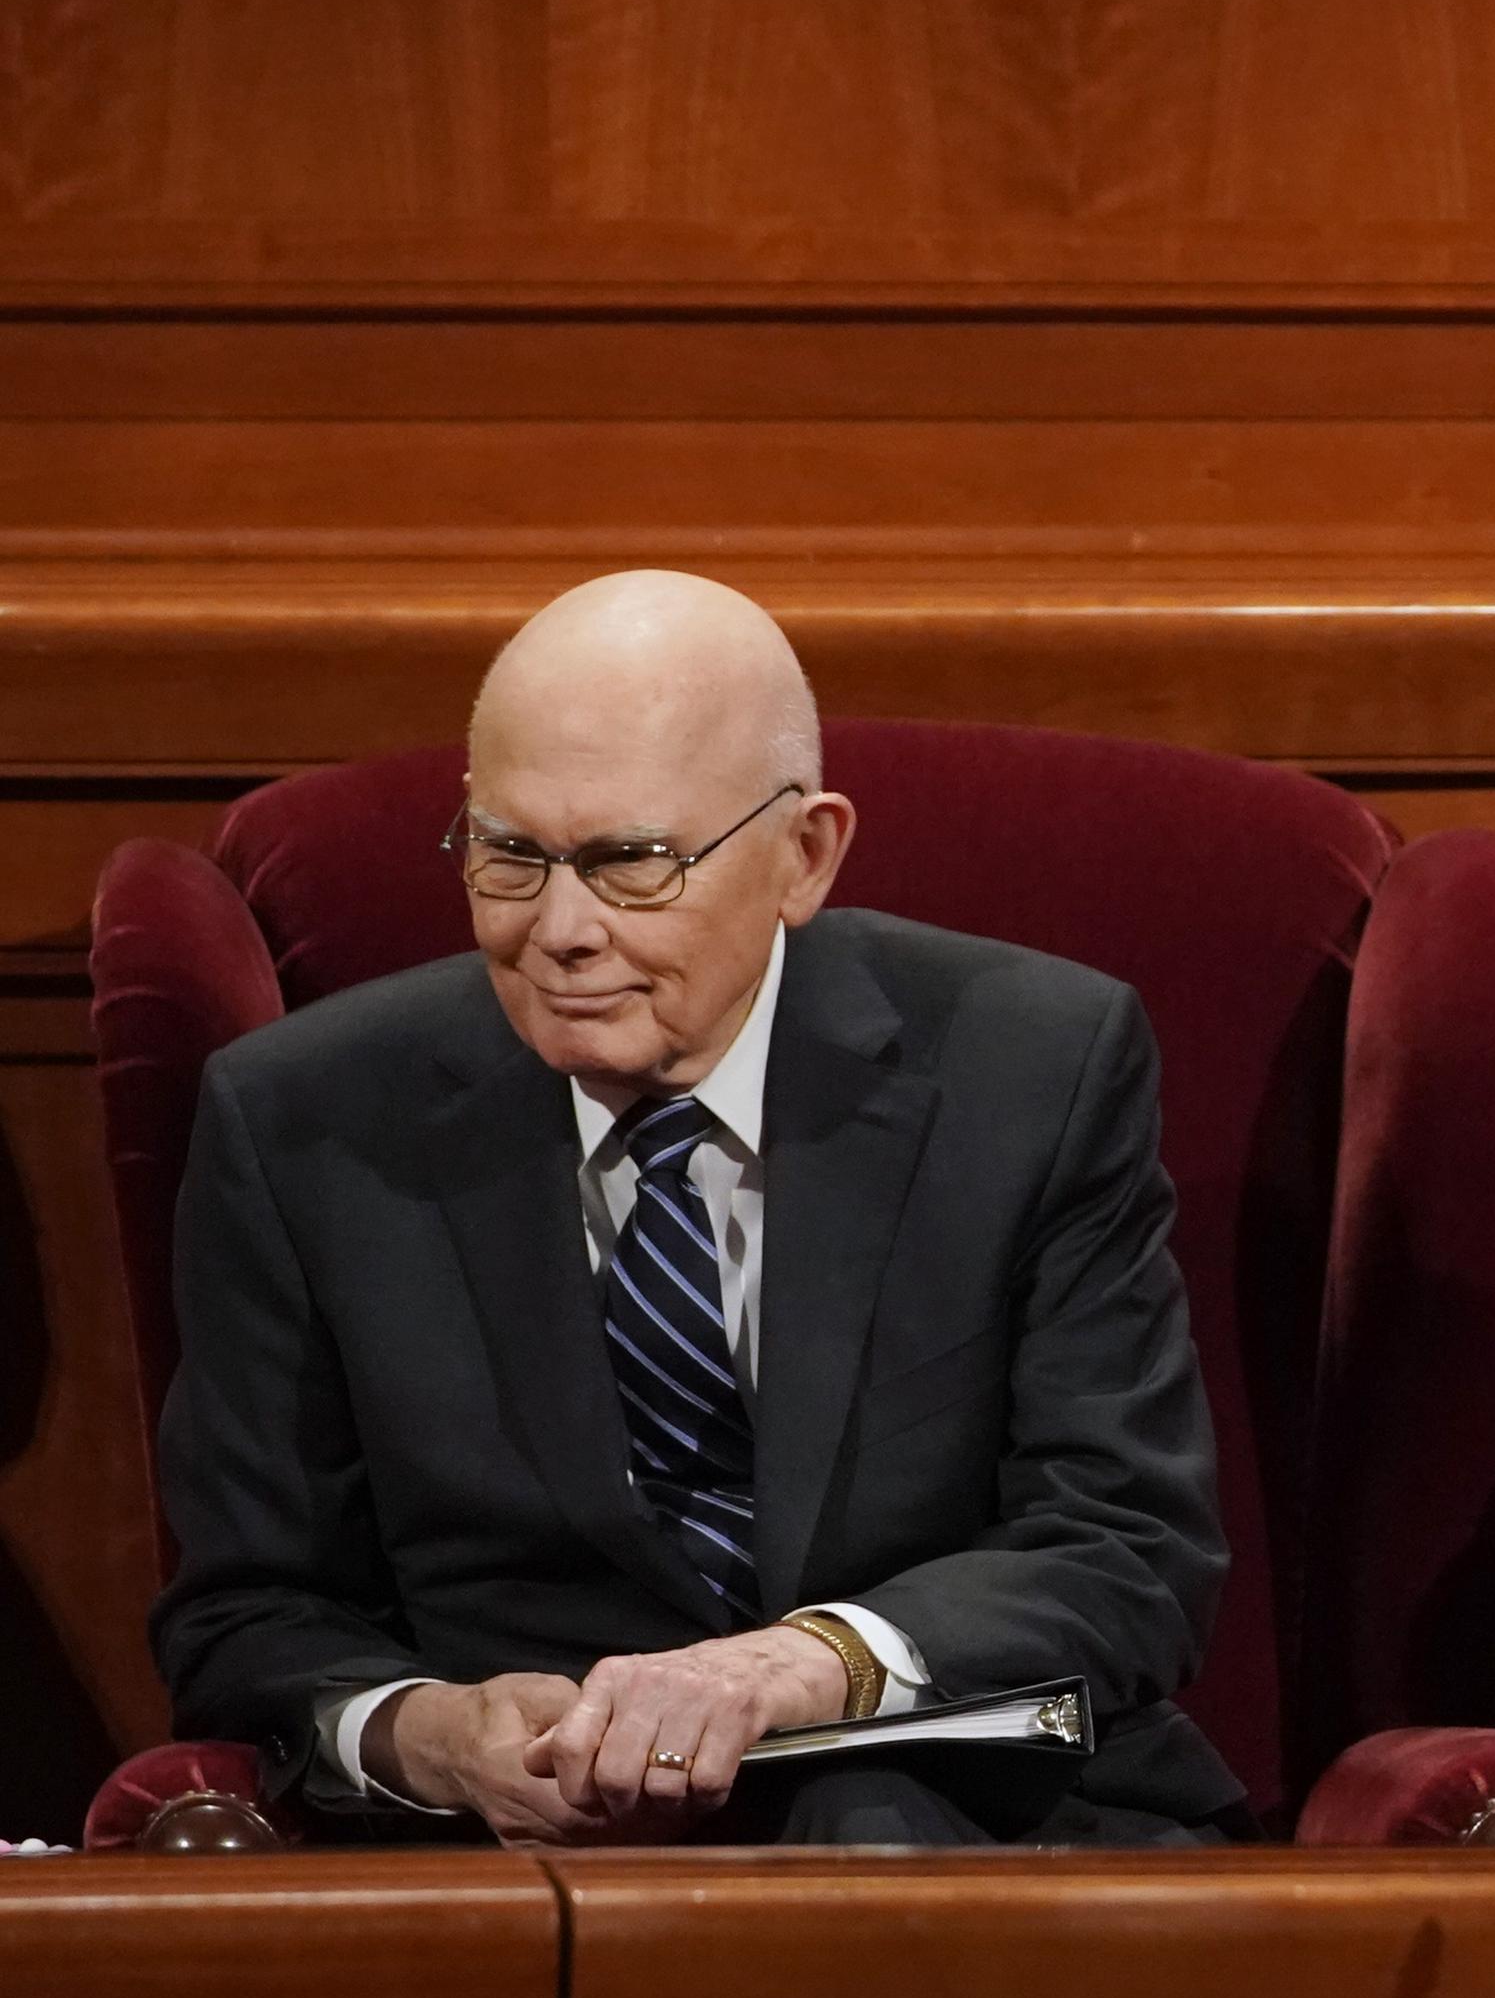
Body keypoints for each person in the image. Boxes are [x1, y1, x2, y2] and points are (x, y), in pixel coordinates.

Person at [153, 571, 1241, 1844]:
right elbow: (241, 1615)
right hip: (516, 1866)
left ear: (805, 855)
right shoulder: (304, 1121)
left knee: (863, 1831)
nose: (560, 929)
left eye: (632, 865)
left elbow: (1126, 1544)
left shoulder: (1032, 1070)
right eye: (512, 855)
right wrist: (421, 1733)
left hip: (962, 1817)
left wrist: (800, 1664)